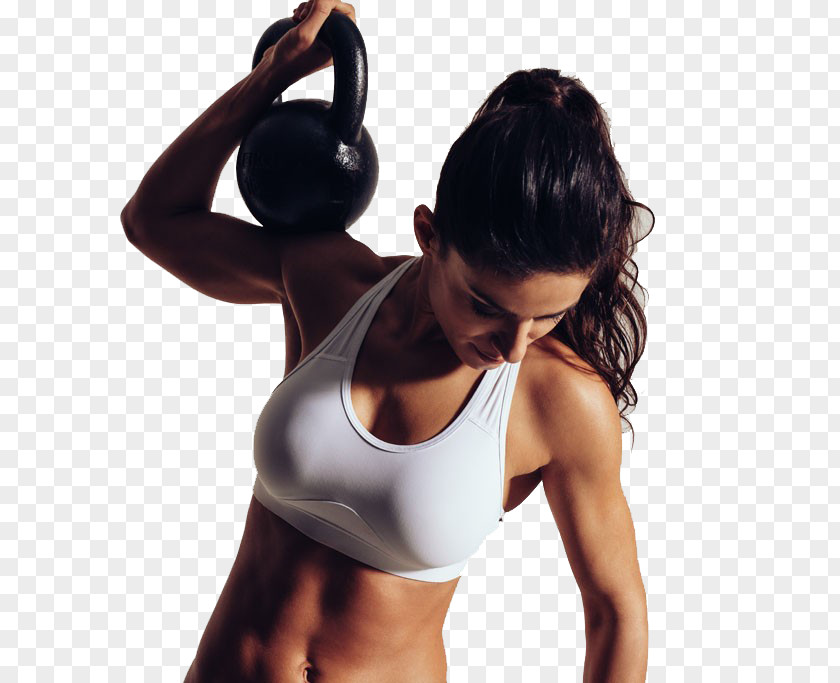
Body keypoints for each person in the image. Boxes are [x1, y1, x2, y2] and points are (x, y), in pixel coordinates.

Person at [120, 1, 655, 681]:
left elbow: (615, 607)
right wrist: (271, 79)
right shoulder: (333, 288)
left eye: (546, 317)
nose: (514, 346)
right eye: (487, 305)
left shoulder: (563, 401)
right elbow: (155, 221)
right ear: (430, 235)